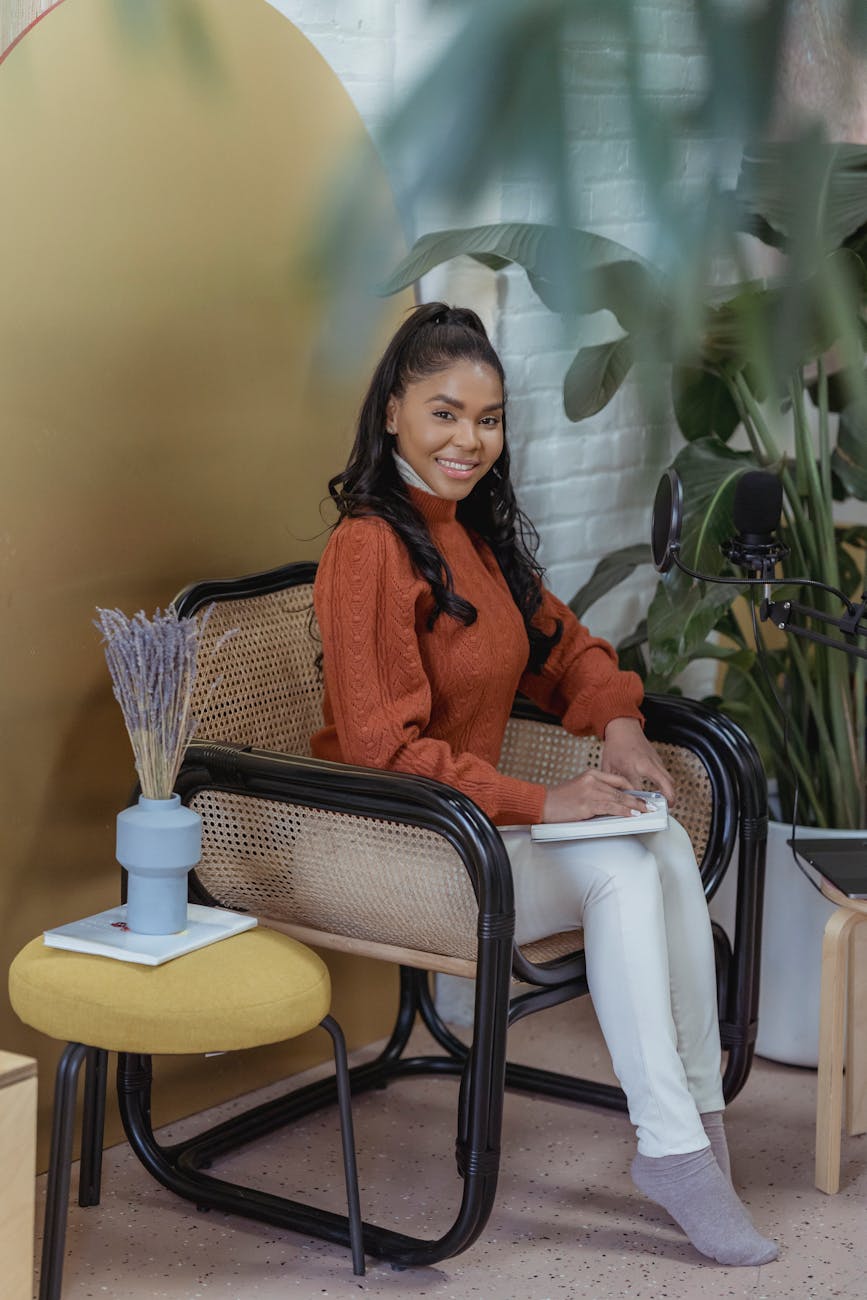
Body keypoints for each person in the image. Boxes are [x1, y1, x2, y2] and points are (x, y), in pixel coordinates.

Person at [311, 302, 777, 1267]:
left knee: (649, 831)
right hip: (398, 836)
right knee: (618, 864)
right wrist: (547, 800)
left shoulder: (471, 534)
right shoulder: (367, 548)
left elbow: (566, 649)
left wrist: (613, 719)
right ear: (393, 410)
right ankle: (679, 1145)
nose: (468, 440)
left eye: (487, 419)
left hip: (468, 828)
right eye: (444, 413)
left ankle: (688, 1135)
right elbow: (376, 749)